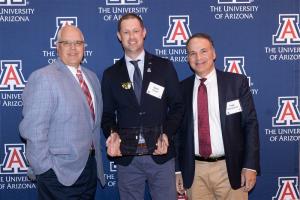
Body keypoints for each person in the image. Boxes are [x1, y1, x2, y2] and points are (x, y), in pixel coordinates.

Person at [101, 13, 184, 199]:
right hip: (127, 159)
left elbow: (178, 106)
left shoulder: (164, 67)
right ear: (119, 36)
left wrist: (167, 134)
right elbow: (106, 115)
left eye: (136, 31)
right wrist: (112, 133)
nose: (132, 37)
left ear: (144, 32)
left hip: (161, 155)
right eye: (126, 32)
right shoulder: (111, 74)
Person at [19, 25, 105, 199]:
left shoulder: (92, 78)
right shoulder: (44, 77)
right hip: (58, 174)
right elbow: (34, 131)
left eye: (78, 43)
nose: (73, 48)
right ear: (57, 47)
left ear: (84, 47)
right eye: (67, 43)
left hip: (88, 170)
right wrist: (45, 171)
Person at [175, 33, 260, 200]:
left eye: (203, 51)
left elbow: (250, 125)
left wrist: (250, 166)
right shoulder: (181, 89)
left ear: (214, 54)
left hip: (230, 169)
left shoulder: (237, 83)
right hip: (194, 171)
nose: (198, 57)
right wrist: (177, 169)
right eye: (192, 53)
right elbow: (176, 133)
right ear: (187, 58)